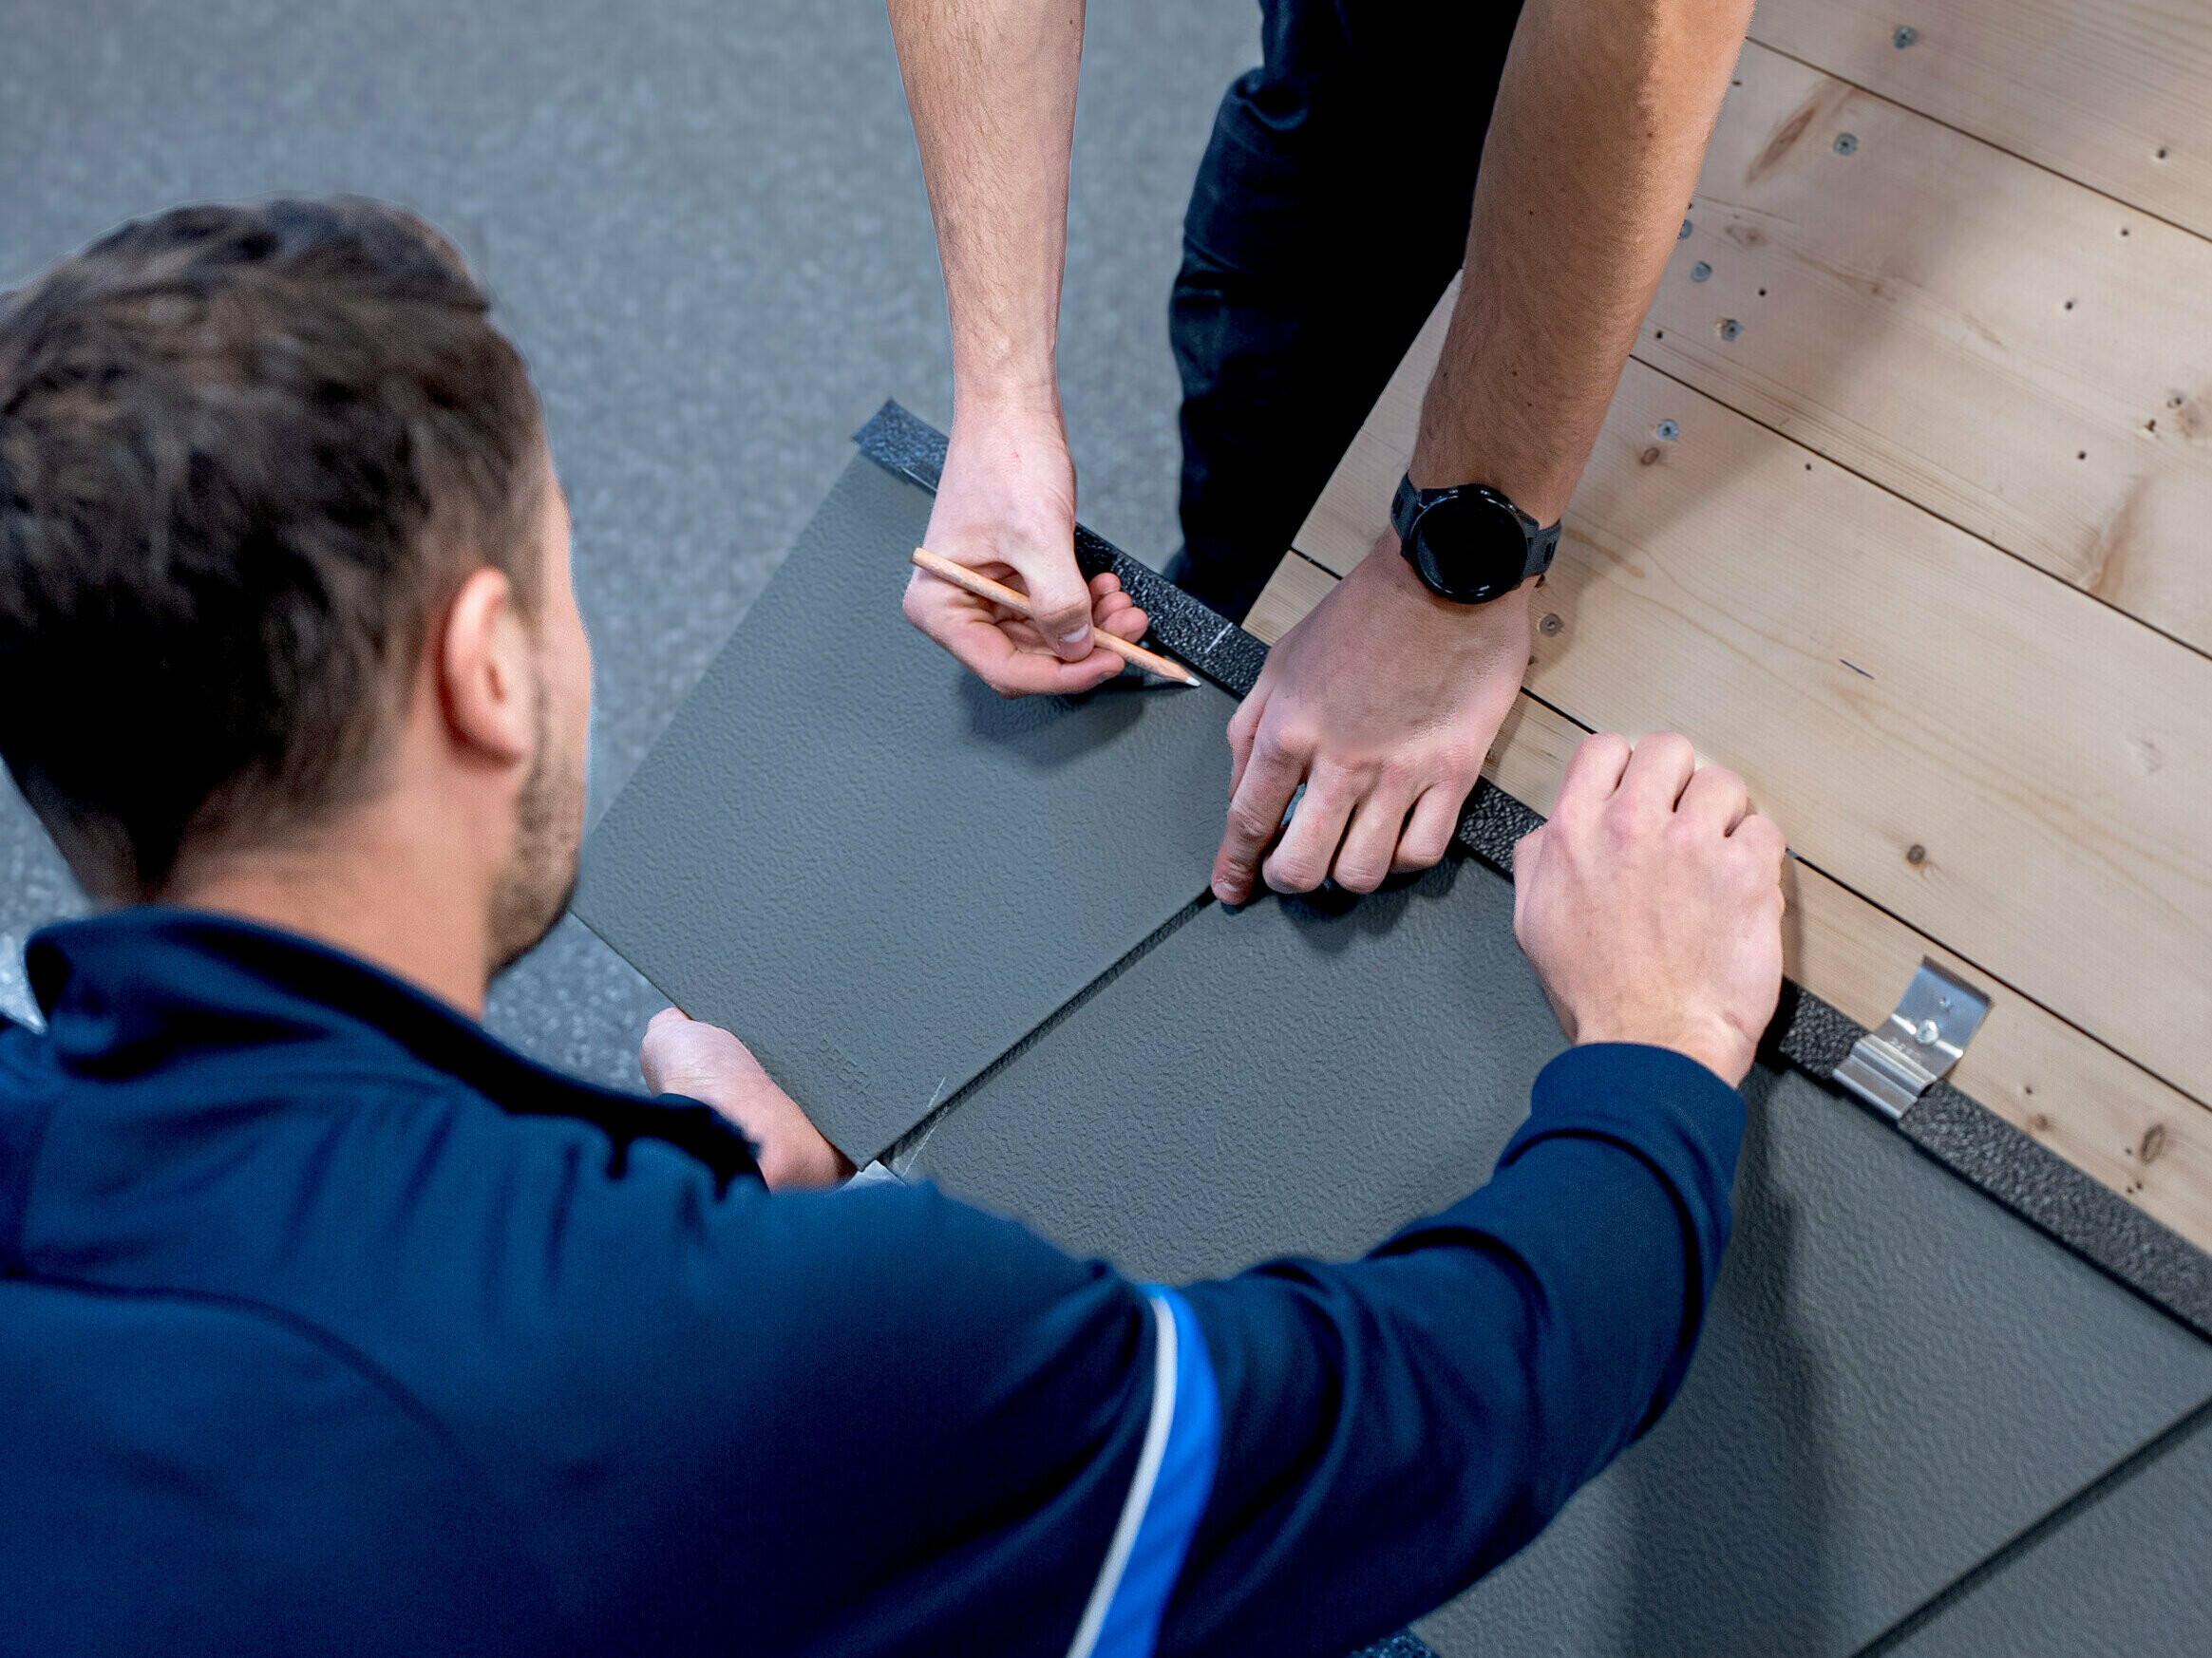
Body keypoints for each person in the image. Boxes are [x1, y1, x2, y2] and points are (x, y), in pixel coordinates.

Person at [0, 200, 1784, 1657]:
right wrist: (1650, 1053)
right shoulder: (823, 1345)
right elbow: (1428, 1422)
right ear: (486, 670)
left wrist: (653, 1216)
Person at [887, 0, 1751, 910]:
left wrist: (1444, 583)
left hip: (1668, 88)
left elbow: (1651, 23)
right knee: (1250, 489)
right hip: (1355, 82)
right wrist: (1001, 407)